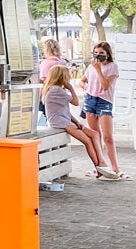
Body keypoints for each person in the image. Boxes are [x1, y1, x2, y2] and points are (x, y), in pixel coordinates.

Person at [43, 66, 118, 177]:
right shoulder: (56, 90)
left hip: (65, 119)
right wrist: (71, 88)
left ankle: (101, 163)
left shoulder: (57, 89)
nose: (69, 78)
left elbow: (63, 110)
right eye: (67, 76)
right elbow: (76, 102)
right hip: (60, 122)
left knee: (95, 134)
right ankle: (99, 168)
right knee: (87, 141)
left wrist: (76, 121)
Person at [82, 40, 122, 176]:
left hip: (104, 101)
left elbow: (105, 86)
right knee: (95, 135)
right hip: (90, 99)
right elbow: (83, 80)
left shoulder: (112, 67)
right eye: (96, 53)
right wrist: (83, 85)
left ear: (107, 54)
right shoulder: (91, 67)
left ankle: (115, 167)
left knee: (107, 137)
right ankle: (99, 164)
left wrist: (99, 69)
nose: (98, 55)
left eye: (101, 53)